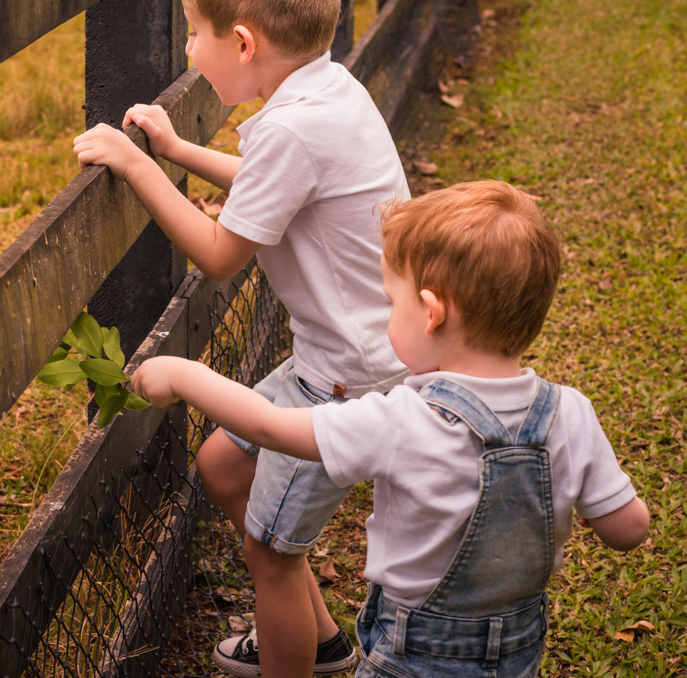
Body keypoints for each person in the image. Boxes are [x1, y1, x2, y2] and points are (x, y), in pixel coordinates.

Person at [130, 180, 650, 678]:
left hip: (412, 654)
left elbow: (268, 426)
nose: (386, 314)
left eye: (391, 301)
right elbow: (628, 530)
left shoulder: (402, 419)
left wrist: (185, 376)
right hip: (517, 648)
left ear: (431, 314)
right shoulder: (570, 412)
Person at [73, 0, 409, 676]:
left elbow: (222, 255)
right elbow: (273, 186)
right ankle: (320, 642)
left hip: (343, 376)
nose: (190, 51)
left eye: (196, 33)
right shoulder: (326, 90)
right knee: (225, 465)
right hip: (346, 353)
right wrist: (178, 151)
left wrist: (139, 166)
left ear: (245, 43)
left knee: (269, 550)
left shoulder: (292, 129)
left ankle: (293, 651)